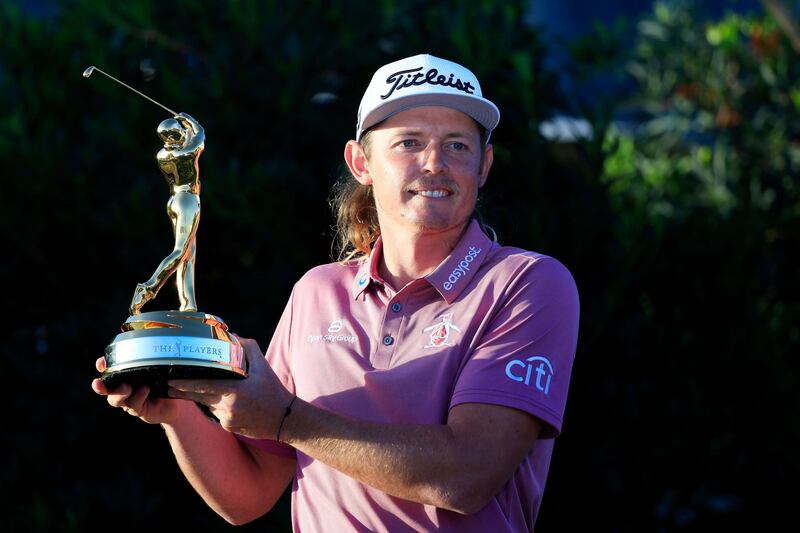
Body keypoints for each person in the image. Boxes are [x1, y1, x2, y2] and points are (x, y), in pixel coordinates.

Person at [92, 53, 580, 531]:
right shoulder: (316, 291)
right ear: (360, 162)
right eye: (408, 142)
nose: (434, 163)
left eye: (457, 145)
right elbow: (249, 495)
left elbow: (468, 475)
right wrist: (177, 411)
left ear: (484, 164)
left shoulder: (528, 282)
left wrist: (287, 420)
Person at [129, 112, 204, 315]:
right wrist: (189, 119)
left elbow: (189, 138)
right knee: (180, 251)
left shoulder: (162, 155)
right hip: (188, 201)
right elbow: (200, 135)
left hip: (174, 201)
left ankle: (188, 304)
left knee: (189, 254)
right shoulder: (186, 152)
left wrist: (183, 127)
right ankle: (147, 288)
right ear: (175, 136)